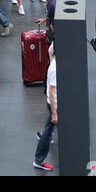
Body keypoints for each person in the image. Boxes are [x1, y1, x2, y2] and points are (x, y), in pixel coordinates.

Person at [32, 43, 58, 172]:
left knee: (49, 130)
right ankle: (39, 160)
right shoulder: (54, 69)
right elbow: (52, 91)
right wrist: (54, 113)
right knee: (48, 132)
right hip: (55, 105)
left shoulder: (55, 61)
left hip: (56, 105)